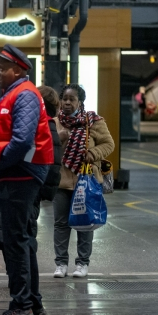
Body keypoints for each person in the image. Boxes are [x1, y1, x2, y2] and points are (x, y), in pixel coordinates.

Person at [0, 44, 54, 315]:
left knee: (15, 242)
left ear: (19, 70)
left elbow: (23, 140)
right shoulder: (17, 94)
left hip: (20, 175)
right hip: (19, 175)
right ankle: (33, 302)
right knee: (22, 241)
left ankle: (21, 305)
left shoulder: (23, 94)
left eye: (2, 69)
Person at [53, 84, 114, 279]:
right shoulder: (55, 123)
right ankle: (61, 264)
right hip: (61, 181)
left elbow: (108, 144)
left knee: (85, 222)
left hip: (86, 180)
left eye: (72, 99)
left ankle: (82, 264)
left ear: (80, 102)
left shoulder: (94, 122)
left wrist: (92, 153)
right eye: (65, 99)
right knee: (61, 223)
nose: (68, 103)